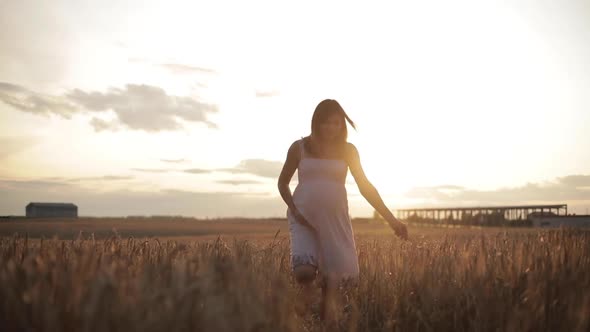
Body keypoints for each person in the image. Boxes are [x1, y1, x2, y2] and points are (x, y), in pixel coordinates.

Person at [277, 99, 408, 324]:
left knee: (336, 281)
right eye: (325, 123)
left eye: (336, 123)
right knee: (304, 273)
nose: (330, 128)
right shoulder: (299, 147)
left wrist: (392, 220)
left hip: (334, 221)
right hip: (303, 219)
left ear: (342, 126)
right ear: (316, 123)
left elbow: (365, 187)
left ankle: (319, 321)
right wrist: (294, 209)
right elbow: (282, 183)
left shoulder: (348, 151)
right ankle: (302, 313)